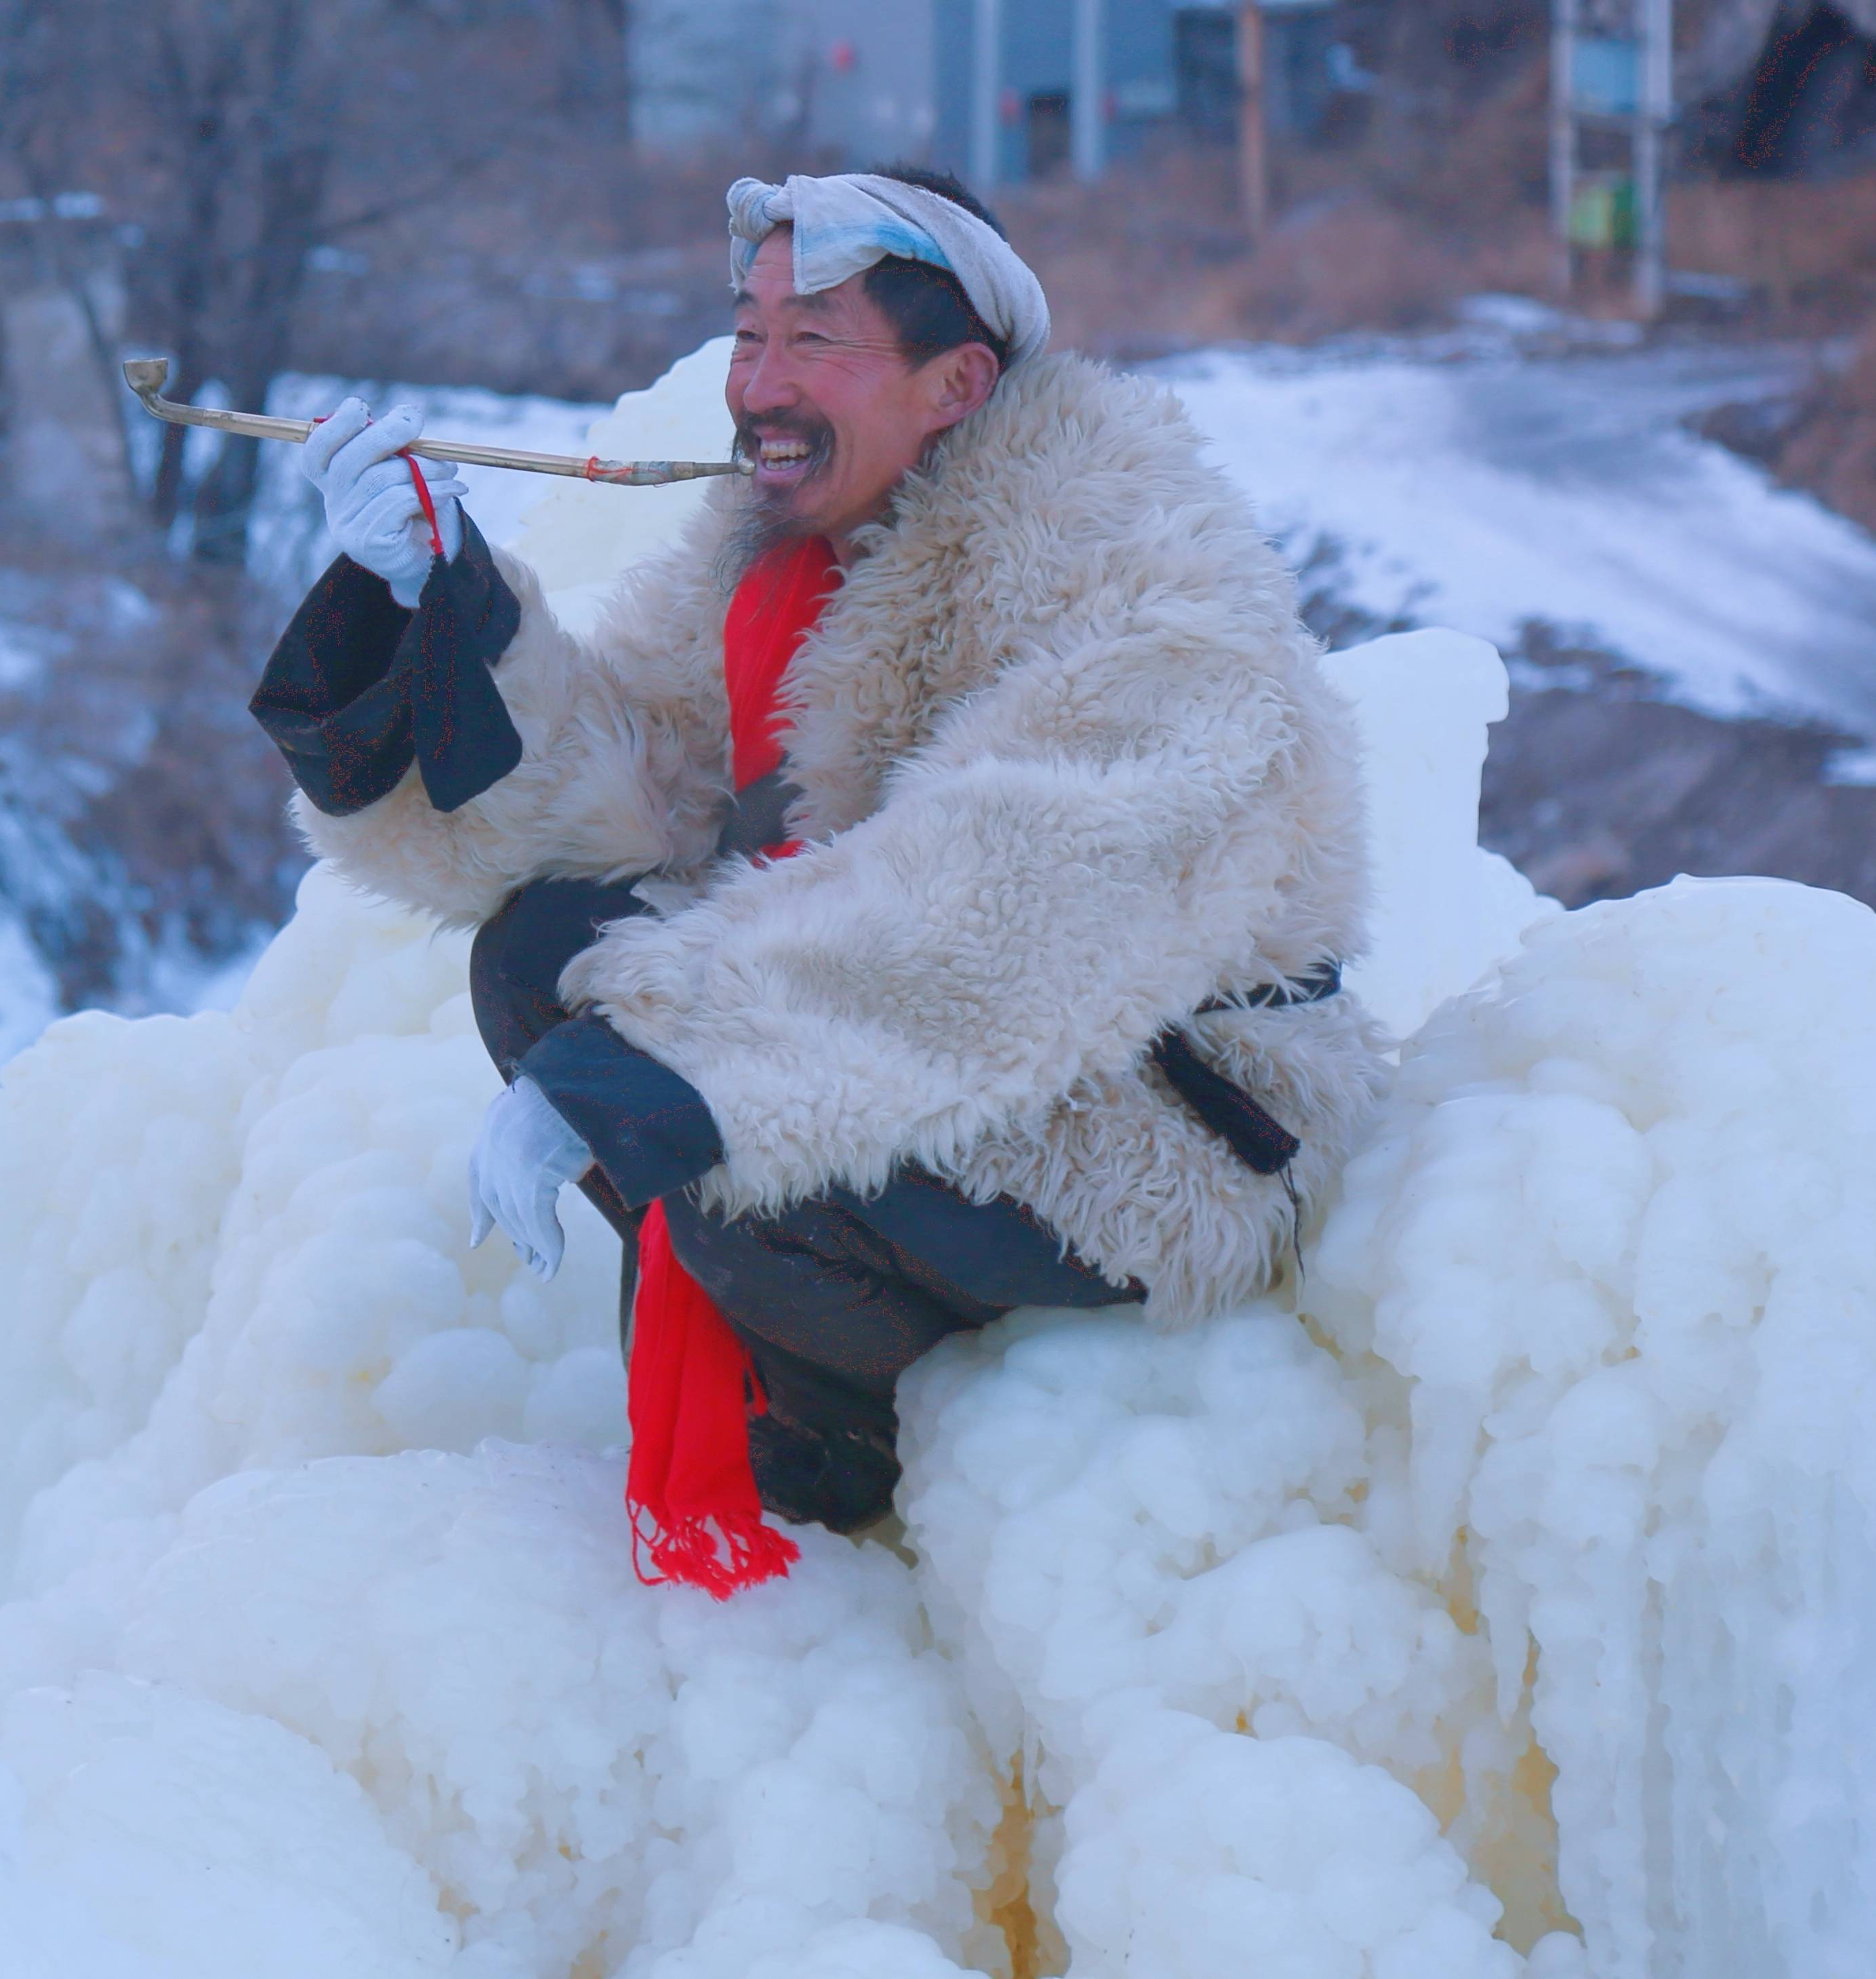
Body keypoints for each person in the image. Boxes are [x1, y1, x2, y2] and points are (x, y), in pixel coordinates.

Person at [249, 168, 1381, 1585]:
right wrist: (434, 600)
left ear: (956, 381)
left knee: (714, 1117)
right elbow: (627, 789)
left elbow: (1004, 900)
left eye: (814, 342)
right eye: (749, 335)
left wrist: (664, 1070)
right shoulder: (780, 554)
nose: (758, 387)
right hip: (952, 1046)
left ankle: (850, 1456)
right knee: (547, 954)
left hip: (1158, 1112)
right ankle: (808, 1367)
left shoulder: (1138, 566)